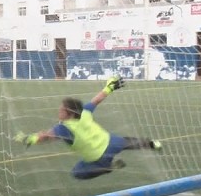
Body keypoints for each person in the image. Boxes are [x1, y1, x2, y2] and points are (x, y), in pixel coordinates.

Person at [13, 76, 162, 180]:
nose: (59, 111)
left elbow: (46, 137)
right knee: (127, 142)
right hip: (112, 141)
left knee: (77, 173)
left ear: (69, 113)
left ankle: (109, 167)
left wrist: (29, 138)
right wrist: (109, 87)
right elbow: (97, 100)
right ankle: (153, 144)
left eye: (62, 109)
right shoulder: (84, 112)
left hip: (99, 157)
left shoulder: (64, 128)